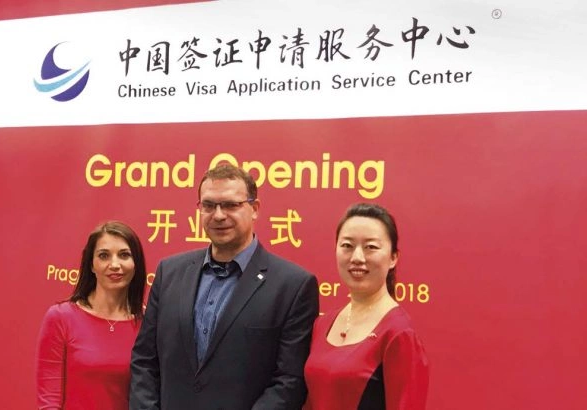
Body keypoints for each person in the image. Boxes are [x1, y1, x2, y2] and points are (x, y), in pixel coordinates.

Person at [130, 164, 320, 410]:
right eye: (209, 205)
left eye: (230, 205)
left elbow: (289, 381)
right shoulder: (169, 272)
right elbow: (144, 360)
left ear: (254, 209)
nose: (218, 215)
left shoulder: (293, 285)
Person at [304, 203, 429, 410]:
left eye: (370, 247)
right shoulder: (322, 324)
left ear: (393, 258)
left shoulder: (399, 333)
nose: (357, 258)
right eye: (347, 245)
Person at [36, 221, 147, 410]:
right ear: (91, 265)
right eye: (104, 256)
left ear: (136, 264)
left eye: (124, 255)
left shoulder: (148, 322)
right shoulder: (61, 317)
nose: (114, 264)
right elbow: (49, 401)